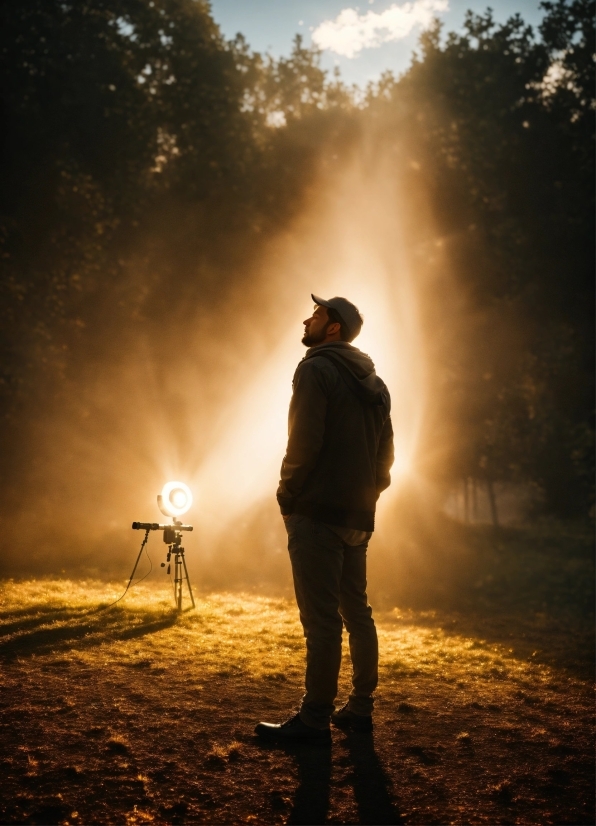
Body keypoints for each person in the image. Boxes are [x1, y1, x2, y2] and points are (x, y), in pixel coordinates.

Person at [255, 294, 394, 742]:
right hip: (358, 516)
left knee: (321, 621)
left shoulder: (316, 368)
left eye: (316, 314)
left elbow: (305, 440)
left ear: (332, 327)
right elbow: (386, 456)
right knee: (357, 612)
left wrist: (287, 492)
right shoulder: (375, 381)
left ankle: (314, 719)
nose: (307, 319)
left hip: (316, 512)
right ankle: (360, 709)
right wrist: (368, 496)